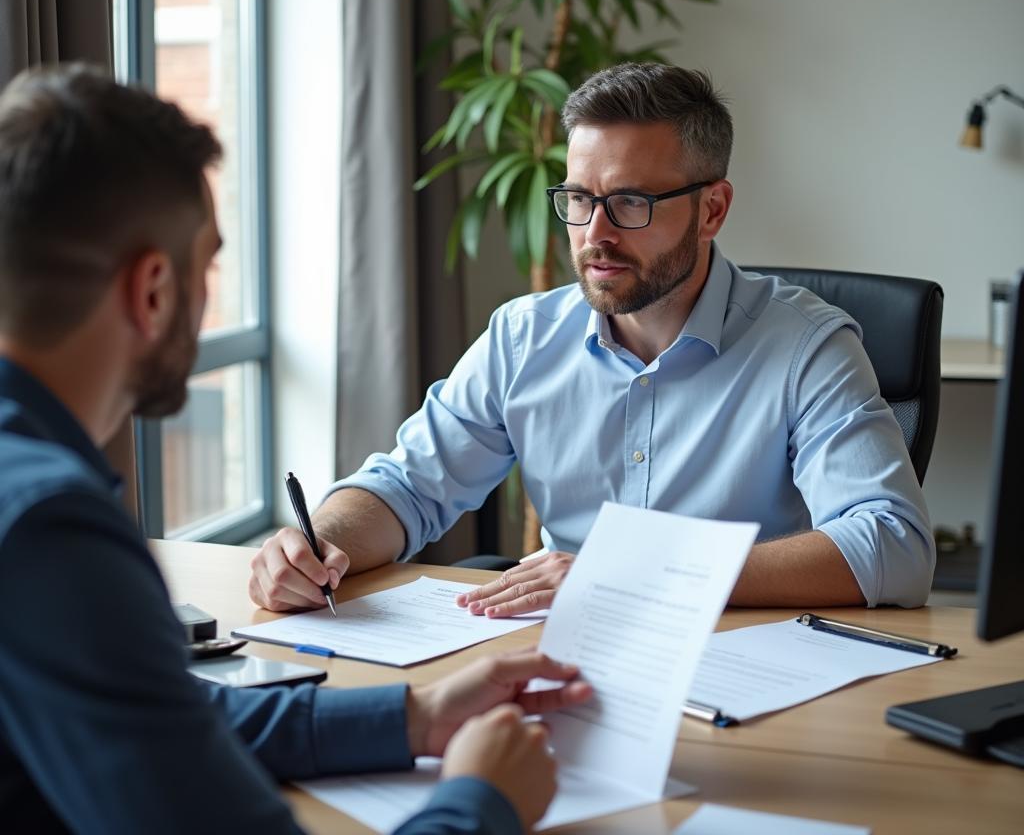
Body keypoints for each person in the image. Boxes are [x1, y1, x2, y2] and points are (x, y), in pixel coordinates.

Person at [0, 64, 591, 835]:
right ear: (152, 290)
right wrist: (485, 799)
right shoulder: (53, 530)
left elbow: (164, 720)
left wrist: (414, 717)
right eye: (209, 263)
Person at [249, 63, 935, 620]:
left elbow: (894, 546)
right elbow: (407, 487)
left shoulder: (805, 347)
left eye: (631, 202)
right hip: (559, 664)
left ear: (712, 210)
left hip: (739, 662)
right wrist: (317, 547)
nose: (594, 234)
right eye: (579, 199)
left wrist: (635, 576)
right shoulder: (523, 337)